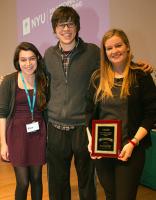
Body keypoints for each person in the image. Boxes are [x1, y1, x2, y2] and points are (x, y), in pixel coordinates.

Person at [44, 6, 153, 200]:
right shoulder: (48, 55)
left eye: (70, 24)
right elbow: (38, 79)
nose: (66, 29)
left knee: (87, 183)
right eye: (61, 25)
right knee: (57, 183)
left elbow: (116, 63)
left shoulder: (93, 52)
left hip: (82, 129)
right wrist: (11, 79)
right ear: (54, 29)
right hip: (56, 127)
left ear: (77, 27)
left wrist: (139, 65)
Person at [85, 28, 156, 200]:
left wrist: (133, 142)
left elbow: (151, 113)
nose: (114, 51)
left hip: (130, 149)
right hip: (103, 151)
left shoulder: (140, 75)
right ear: (105, 52)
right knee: (110, 195)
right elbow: (88, 114)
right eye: (109, 48)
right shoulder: (97, 78)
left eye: (118, 45)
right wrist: (92, 142)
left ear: (127, 47)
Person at [0, 42, 48, 200]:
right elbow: (2, 113)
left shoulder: (43, 79)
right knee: (23, 182)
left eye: (32, 59)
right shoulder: (9, 81)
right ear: (17, 62)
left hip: (38, 134)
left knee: (36, 179)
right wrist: (3, 143)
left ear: (37, 59)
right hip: (17, 136)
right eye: (23, 60)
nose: (28, 63)